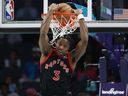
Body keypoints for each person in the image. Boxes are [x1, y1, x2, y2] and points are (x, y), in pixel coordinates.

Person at [39, 3, 88, 96]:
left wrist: (80, 16)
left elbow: (84, 40)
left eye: (65, 46)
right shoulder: (47, 52)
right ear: (55, 43)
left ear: (68, 49)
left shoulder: (72, 58)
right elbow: (42, 34)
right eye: (60, 44)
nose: (61, 47)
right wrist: (50, 11)